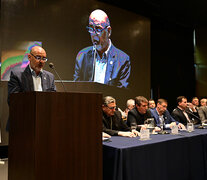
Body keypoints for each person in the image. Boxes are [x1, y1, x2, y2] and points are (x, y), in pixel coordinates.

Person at [73, 9, 131, 88]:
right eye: (91, 28)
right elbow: (76, 88)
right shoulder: (82, 56)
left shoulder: (123, 59)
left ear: (109, 31)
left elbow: (121, 92)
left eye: (98, 29)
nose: (94, 34)